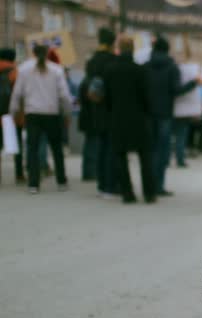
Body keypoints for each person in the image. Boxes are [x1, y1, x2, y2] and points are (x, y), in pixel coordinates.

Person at [9, 44, 72, 193]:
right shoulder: (56, 70)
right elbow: (64, 96)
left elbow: (17, 94)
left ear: (33, 53)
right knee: (56, 149)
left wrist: (12, 113)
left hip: (33, 114)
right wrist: (67, 113)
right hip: (52, 113)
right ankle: (61, 181)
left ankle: (33, 183)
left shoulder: (24, 69)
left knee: (32, 149)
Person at [103, 35, 156, 204]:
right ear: (133, 49)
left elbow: (107, 98)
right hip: (139, 119)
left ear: (118, 49)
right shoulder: (141, 71)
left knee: (120, 156)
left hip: (118, 118)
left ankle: (127, 193)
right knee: (145, 157)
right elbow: (147, 97)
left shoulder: (110, 70)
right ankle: (149, 193)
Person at [145, 36, 200, 196]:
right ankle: (158, 186)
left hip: (147, 114)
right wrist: (193, 83)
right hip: (165, 114)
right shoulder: (171, 67)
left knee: (149, 150)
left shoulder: (145, 66)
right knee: (162, 150)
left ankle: (148, 185)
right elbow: (176, 90)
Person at [80, 27, 118, 194]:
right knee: (110, 148)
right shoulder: (111, 60)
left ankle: (99, 181)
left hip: (95, 108)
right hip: (110, 109)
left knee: (100, 146)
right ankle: (109, 184)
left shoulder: (92, 60)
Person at [0, 47, 26, 184]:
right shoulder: (16, 72)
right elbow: (20, 95)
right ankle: (19, 175)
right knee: (17, 146)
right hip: (12, 115)